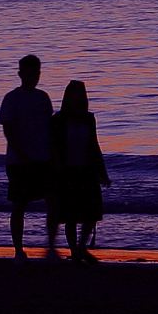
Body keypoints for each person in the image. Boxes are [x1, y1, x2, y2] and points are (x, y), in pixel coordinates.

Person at [0, 54, 56, 263]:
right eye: (31, 72)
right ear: (21, 74)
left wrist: (53, 155)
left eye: (37, 72)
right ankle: (18, 250)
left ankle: (50, 247)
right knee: (19, 204)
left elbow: (50, 128)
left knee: (52, 201)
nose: (34, 76)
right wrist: (22, 154)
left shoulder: (43, 97)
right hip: (18, 162)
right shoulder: (12, 98)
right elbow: (8, 130)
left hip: (43, 159)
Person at [51, 80, 110, 264]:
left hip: (87, 169)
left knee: (91, 213)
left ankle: (82, 247)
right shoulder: (58, 120)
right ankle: (75, 250)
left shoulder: (88, 118)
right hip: (66, 171)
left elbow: (94, 144)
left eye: (81, 93)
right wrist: (56, 168)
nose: (78, 97)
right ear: (68, 96)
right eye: (75, 93)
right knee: (70, 215)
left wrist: (102, 171)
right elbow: (53, 147)